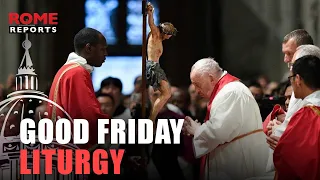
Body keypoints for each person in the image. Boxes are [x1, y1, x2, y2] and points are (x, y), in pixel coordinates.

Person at [183, 58, 269, 180]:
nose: (196, 91)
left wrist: (197, 130)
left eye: (198, 84)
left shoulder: (231, 92)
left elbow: (218, 132)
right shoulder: (227, 91)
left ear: (211, 78)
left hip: (239, 163)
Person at [47, 27, 109, 149]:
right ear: (89, 48)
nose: (106, 54)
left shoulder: (66, 70)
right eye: (102, 49)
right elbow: (87, 116)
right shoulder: (77, 73)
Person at [273, 55, 320, 180]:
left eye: (291, 78)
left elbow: (291, 159)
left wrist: (279, 143)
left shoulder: (307, 114)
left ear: (298, 79)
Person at [146, 2, 178, 124]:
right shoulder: (155, 35)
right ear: (165, 32)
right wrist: (150, 13)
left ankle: (152, 118)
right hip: (153, 66)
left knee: (166, 94)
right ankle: (152, 119)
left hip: (156, 66)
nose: (169, 37)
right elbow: (151, 24)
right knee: (166, 93)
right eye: (169, 35)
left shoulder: (159, 39)